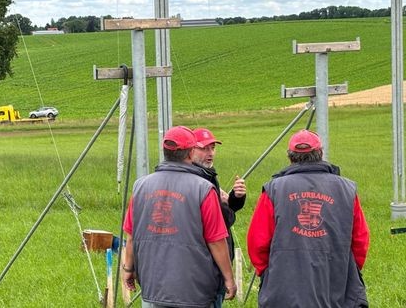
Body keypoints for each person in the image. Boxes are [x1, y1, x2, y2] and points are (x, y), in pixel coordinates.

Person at [247, 129, 370, 307]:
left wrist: (269, 273)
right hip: (335, 282)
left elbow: (257, 241)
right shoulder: (346, 189)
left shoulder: (274, 189)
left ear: (290, 157)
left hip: (283, 285)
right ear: (320, 154)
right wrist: (348, 270)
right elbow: (360, 239)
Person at [122, 126, 237, 307]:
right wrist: (228, 278)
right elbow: (216, 240)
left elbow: (131, 236)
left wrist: (128, 268)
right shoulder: (203, 189)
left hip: (154, 287)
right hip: (195, 290)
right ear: (191, 153)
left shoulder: (140, 187)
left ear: (165, 151)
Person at [192, 128, 246, 307]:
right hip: (207, 268)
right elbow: (221, 221)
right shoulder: (200, 179)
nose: (210, 153)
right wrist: (224, 204)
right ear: (191, 150)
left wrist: (235, 198)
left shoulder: (207, 175)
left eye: (212, 148)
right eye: (204, 148)